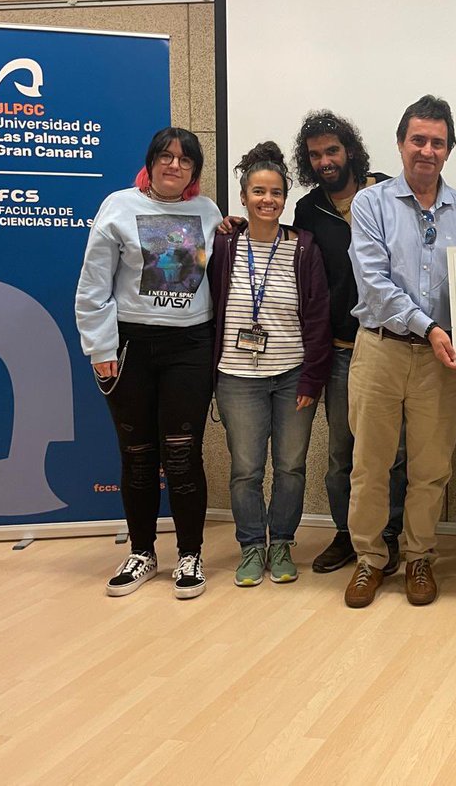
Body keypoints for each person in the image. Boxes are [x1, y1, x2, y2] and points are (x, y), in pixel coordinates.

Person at [343, 95, 456, 608]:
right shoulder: (370, 204)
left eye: (438, 142)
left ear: (449, 149)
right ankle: (368, 560)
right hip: (381, 351)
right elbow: (375, 283)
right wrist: (429, 327)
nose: (427, 150)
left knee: (432, 468)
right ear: (401, 143)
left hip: (442, 362)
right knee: (370, 464)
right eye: (418, 140)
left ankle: (419, 556)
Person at [75, 127, 222, 598]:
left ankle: (189, 555)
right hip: (130, 348)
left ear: (195, 170)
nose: (173, 165)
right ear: (150, 161)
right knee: (138, 456)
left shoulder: (207, 212)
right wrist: (100, 349)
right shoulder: (118, 206)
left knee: (181, 454)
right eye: (165, 156)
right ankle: (141, 551)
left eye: (184, 159)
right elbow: (94, 284)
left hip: (190, 348)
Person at [289, 111, 408, 576]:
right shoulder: (308, 210)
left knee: (392, 454)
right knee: (343, 453)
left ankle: (390, 536)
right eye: (315, 155)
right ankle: (348, 535)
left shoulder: (387, 192)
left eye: (332, 151)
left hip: (391, 344)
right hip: (341, 350)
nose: (324, 161)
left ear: (350, 151)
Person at [210, 142, 332, 587]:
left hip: (292, 376)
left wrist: (314, 377)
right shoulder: (224, 245)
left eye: (276, 193)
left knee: (291, 466)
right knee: (246, 468)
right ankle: (250, 546)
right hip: (237, 378)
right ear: (243, 197)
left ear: (285, 198)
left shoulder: (303, 248)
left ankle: (280, 541)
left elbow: (318, 316)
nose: (267, 200)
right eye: (258, 192)